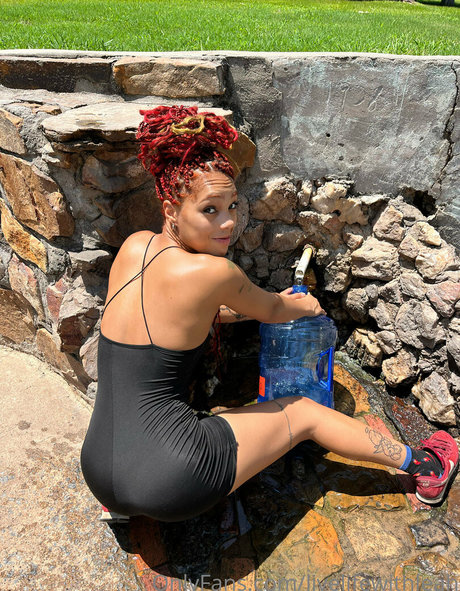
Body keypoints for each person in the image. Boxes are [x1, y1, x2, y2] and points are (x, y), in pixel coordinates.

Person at [80, 106, 459, 523]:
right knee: (305, 412)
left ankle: (127, 507)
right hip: (171, 480)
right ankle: (428, 467)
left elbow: (181, 319)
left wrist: (248, 312)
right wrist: (304, 304)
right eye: (210, 210)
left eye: (232, 206)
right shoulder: (213, 272)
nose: (228, 223)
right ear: (171, 209)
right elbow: (278, 310)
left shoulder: (134, 247)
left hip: (99, 471)